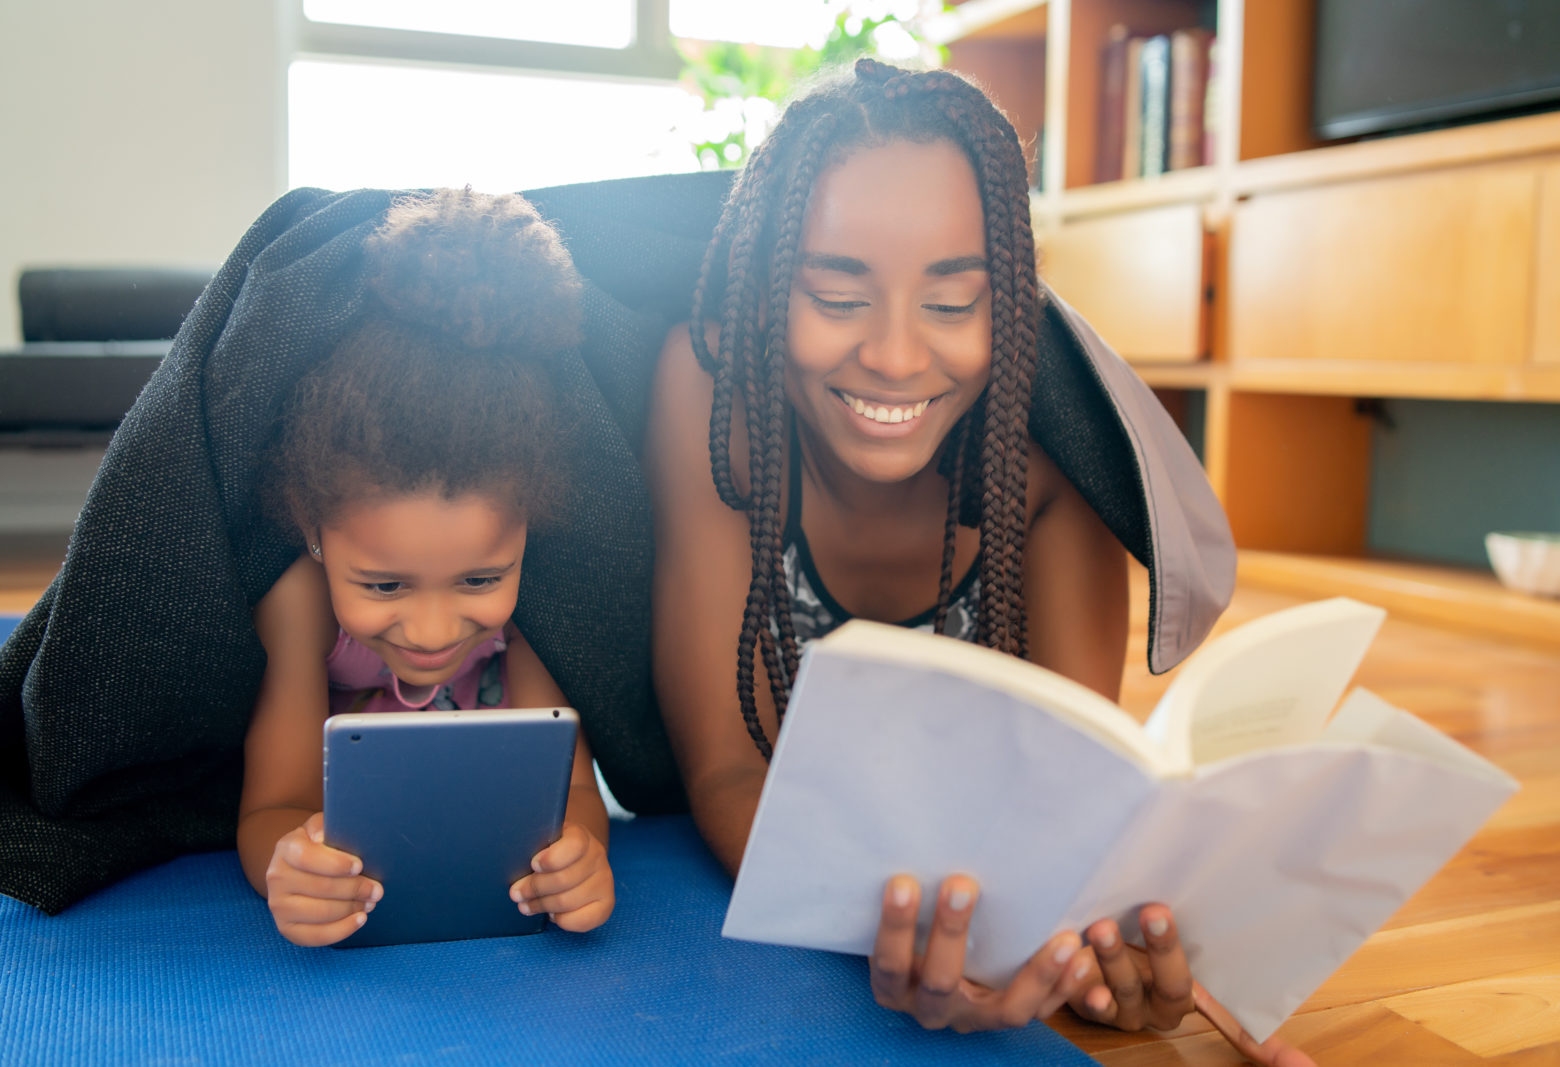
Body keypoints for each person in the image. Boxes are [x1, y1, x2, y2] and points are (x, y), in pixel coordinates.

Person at [647, 58, 1311, 1065]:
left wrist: (1082, 956)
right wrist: (891, 932)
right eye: (835, 293)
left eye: (954, 306)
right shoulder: (711, 393)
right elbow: (729, 764)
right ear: (763, 286)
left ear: (1007, 306)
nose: (898, 356)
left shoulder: (1052, 451)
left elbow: (1067, 802)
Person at [237, 188, 614, 947]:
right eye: (383, 585)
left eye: (480, 579)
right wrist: (291, 868)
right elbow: (273, 803)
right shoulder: (298, 603)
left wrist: (584, 858)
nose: (436, 628)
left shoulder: (537, 612)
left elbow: (572, 789)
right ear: (315, 534)